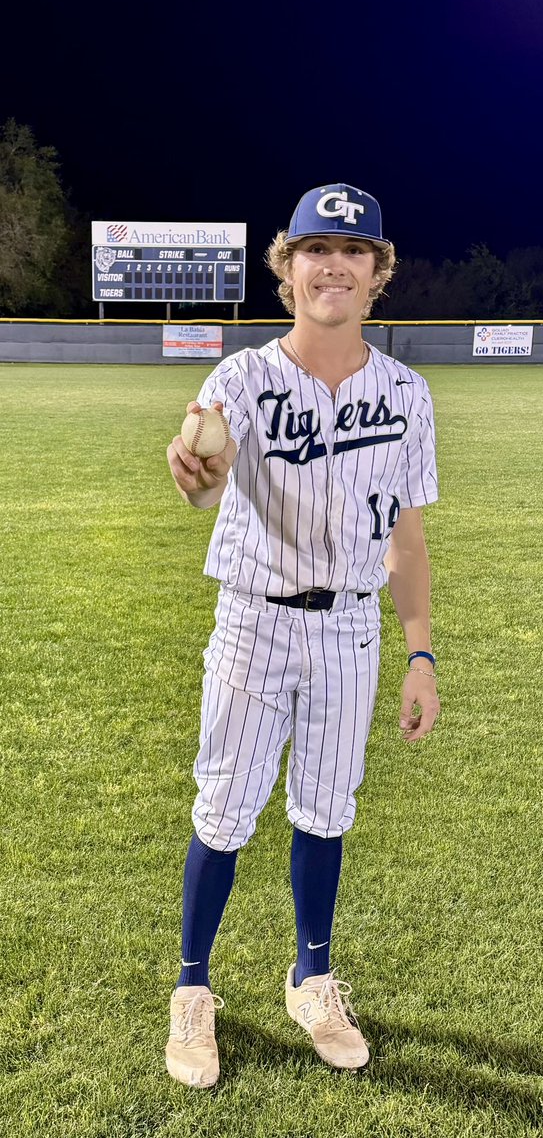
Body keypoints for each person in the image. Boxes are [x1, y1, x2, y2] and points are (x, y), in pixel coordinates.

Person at [165, 183, 440, 1087]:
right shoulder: (240, 379)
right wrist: (197, 475)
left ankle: (310, 976)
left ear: (375, 275)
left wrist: (421, 651)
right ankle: (193, 989)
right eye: (316, 249)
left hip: (351, 633)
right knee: (224, 810)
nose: (335, 263)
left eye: (354, 252)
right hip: (253, 620)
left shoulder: (405, 391)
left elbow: (404, 537)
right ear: (286, 270)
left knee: (326, 810)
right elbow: (206, 485)